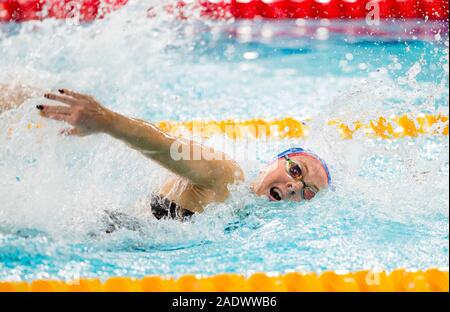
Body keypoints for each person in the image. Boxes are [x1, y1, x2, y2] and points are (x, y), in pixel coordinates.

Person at [1, 86, 331, 221]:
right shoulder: (226, 176)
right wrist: (107, 121)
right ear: (275, 161)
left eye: (307, 192)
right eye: (296, 172)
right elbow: (164, 145)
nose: (294, 187)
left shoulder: (246, 211)